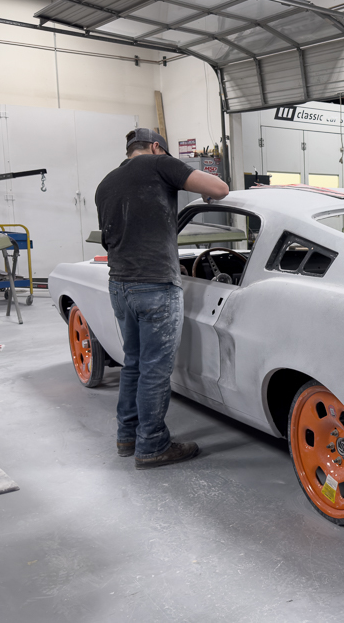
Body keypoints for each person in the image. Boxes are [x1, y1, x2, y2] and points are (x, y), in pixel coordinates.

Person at [95, 128, 229, 470]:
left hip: (120, 285)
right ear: (156, 147)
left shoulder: (106, 183)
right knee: (155, 369)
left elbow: (110, 239)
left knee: (134, 363)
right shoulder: (159, 164)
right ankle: (153, 444)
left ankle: (127, 437)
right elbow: (220, 189)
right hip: (155, 285)